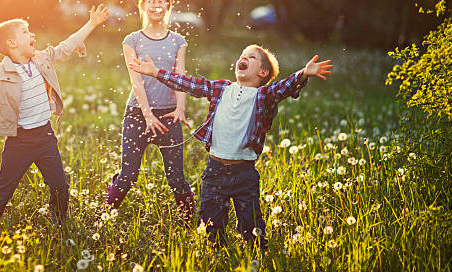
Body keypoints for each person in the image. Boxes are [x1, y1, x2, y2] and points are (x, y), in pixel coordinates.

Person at [128, 45, 333, 246]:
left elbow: (283, 87)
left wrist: (304, 73)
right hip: (215, 171)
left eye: (251, 58)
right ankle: (216, 254)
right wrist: (156, 72)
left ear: (263, 72)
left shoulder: (263, 96)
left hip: (245, 174)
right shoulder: (221, 89)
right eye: (242, 55)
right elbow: (190, 84)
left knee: (252, 228)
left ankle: (256, 255)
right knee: (211, 227)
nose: (243, 58)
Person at [0, 4, 108, 230]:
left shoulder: (42, 59)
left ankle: (59, 222)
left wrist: (92, 23)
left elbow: (68, 45)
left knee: (60, 186)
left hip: (45, 136)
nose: (32, 34)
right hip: (19, 141)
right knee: (5, 187)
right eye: (26, 32)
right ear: (11, 43)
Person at [103, 0, 194, 222]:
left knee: (176, 177)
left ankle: (192, 224)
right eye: (151, 0)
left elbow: (180, 77)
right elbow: (136, 81)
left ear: (168, 5)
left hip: (169, 115)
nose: (156, 4)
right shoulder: (131, 40)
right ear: (142, 5)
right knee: (128, 175)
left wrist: (180, 108)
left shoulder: (178, 41)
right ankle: (104, 217)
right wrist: (147, 115)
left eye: (161, 0)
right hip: (138, 115)